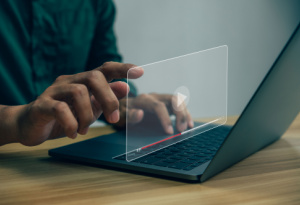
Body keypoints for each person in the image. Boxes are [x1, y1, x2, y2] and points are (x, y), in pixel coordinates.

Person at [0, 0, 193, 147]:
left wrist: (126, 106)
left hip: (64, 161)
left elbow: (103, 67)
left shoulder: (96, 3)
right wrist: (17, 121)